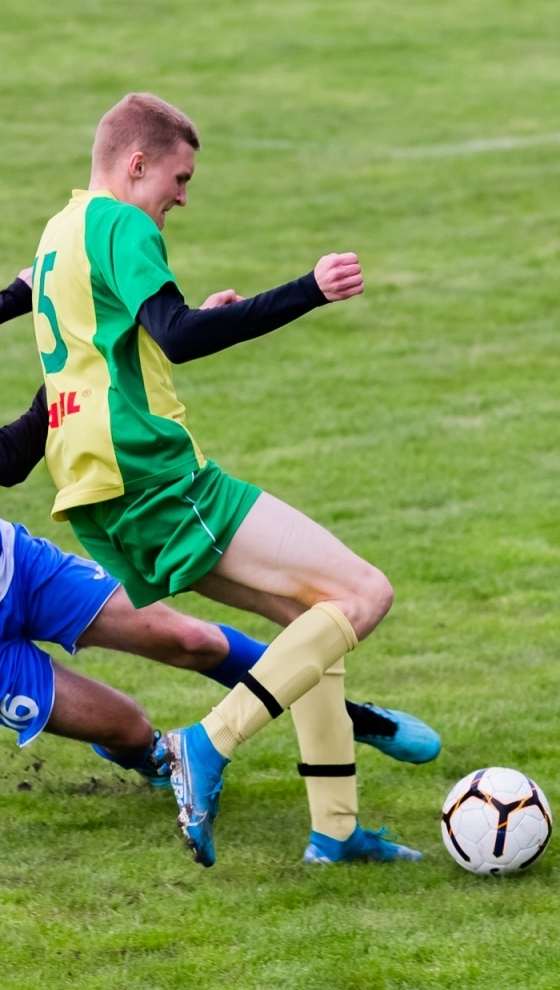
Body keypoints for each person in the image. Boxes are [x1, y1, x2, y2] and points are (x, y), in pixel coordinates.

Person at [0, 223, 438, 796]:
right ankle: (162, 764)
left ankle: (347, 715)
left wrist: (34, 290)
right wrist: (84, 368)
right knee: (127, 723)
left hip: (9, 565)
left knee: (191, 639)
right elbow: (3, 457)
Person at [30, 93, 426, 866]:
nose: (182, 195)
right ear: (135, 163)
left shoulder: (61, 231)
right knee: (363, 595)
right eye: (177, 177)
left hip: (96, 488)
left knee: (314, 622)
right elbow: (177, 336)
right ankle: (207, 746)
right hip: (154, 477)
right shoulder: (122, 221)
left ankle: (336, 832)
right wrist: (308, 289)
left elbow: (121, 343)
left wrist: (197, 315)